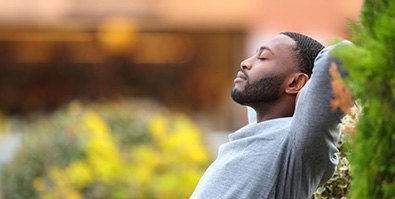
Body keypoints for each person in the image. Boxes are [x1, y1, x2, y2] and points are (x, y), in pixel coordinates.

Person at [190, 32, 351, 199]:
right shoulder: (253, 133)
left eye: (263, 57)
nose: (245, 63)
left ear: (295, 83)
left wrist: (305, 97)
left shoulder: (298, 144)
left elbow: (341, 55)